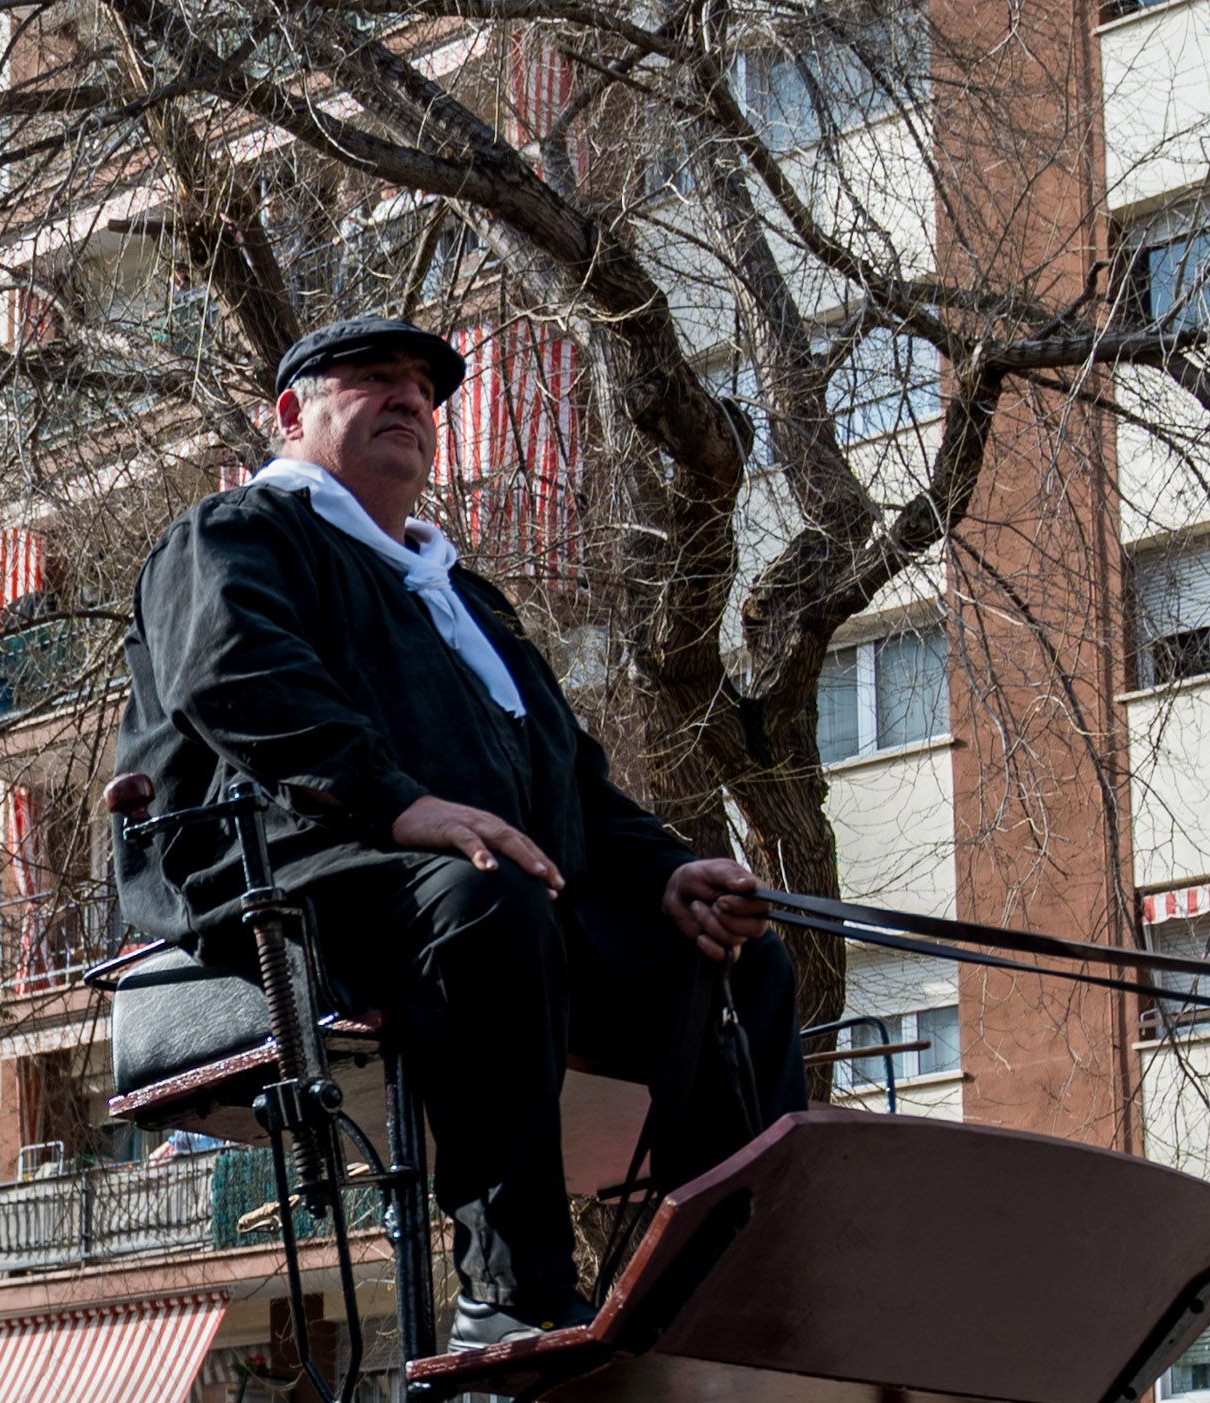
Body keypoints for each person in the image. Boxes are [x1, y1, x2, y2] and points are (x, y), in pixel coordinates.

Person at [113, 316, 800, 1349]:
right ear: (293, 412)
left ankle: (717, 1278)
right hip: (289, 859)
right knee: (483, 899)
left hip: (475, 875)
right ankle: (508, 1287)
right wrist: (396, 804)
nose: (408, 401)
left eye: (425, 393)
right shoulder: (236, 533)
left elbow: (568, 776)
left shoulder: (463, 596)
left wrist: (664, 872)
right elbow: (237, 681)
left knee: (733, 961)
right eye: (374, 380)